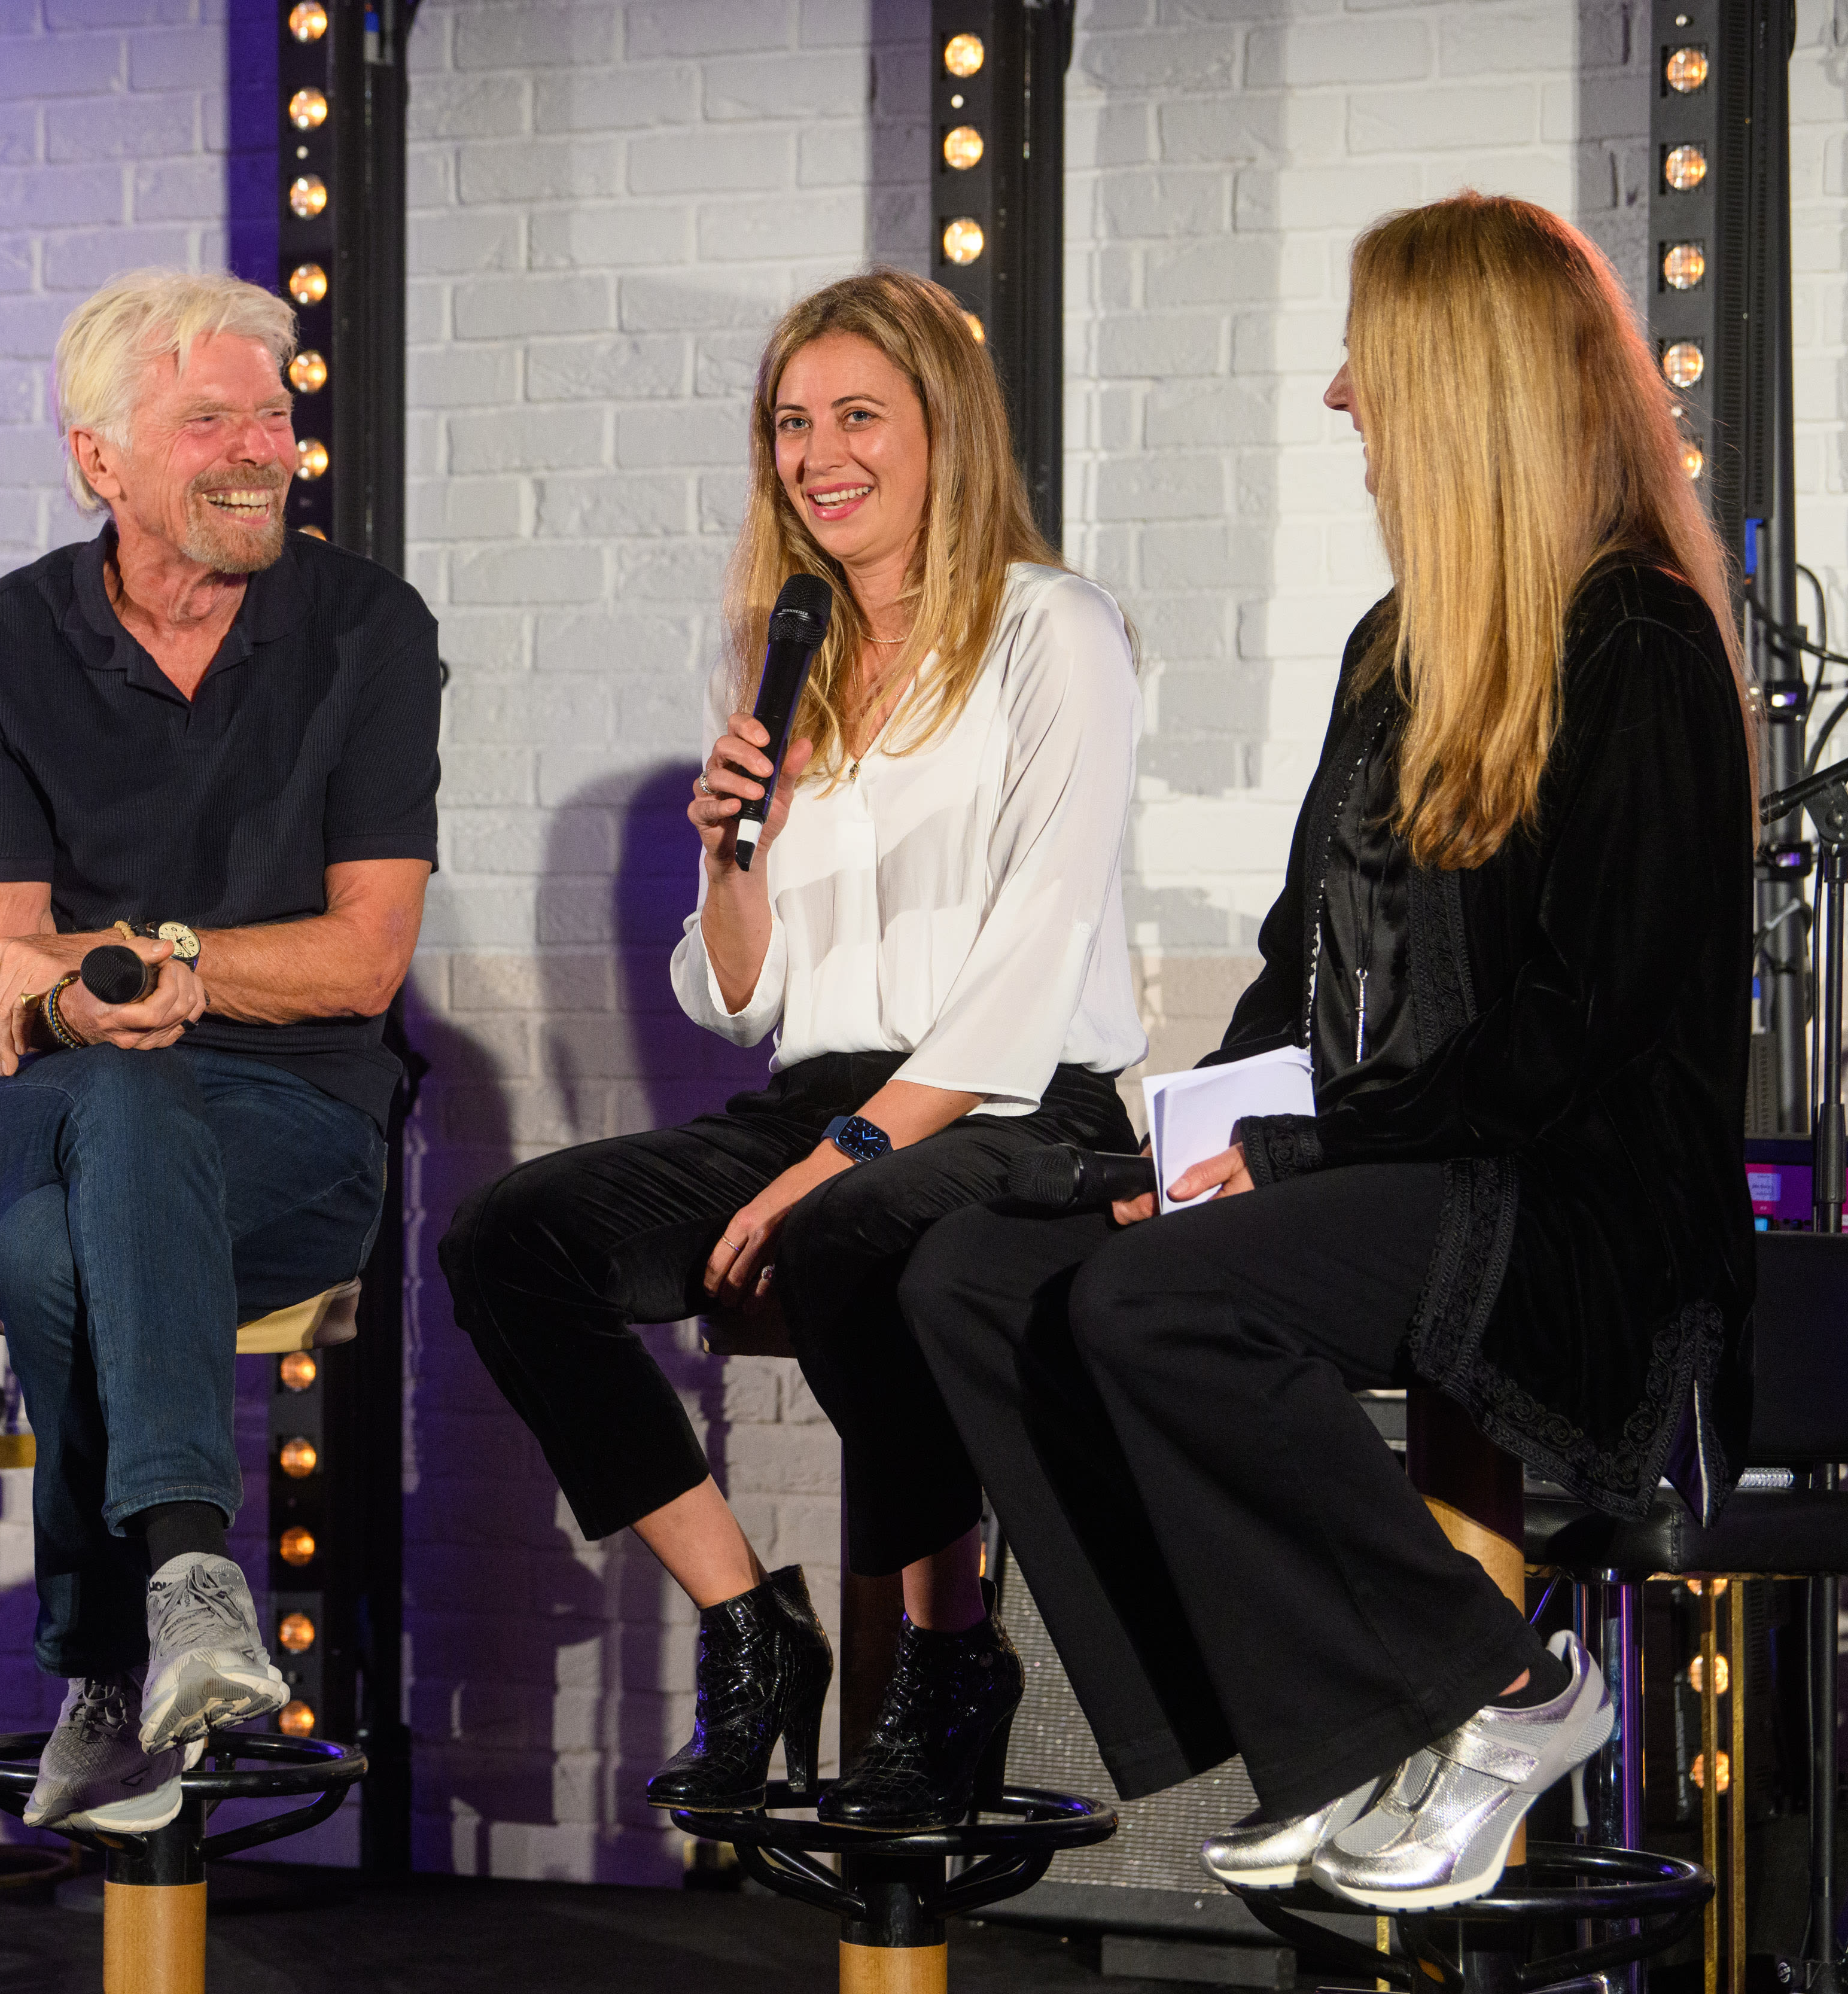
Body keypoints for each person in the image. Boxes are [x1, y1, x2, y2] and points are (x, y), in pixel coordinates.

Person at [900, 193, 1752, 1910]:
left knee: (1160, 1304)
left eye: (1369, 357)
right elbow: (1303, 964)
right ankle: (1321, 1727)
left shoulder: (1641, 647)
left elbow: (1578, 1041)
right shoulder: (1397, 647)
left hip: (1561, 1204)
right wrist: (1198, 1143)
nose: (1340, 397)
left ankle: (1506, 1688)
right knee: (976, 1278)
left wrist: (1292, 1163)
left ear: (1457, 381)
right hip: (1393, 1160)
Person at [439, 269, 1144, 1828]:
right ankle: (750, 1623)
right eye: (791, 424)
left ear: (945, 433)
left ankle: (953, 1658)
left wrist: (847, 1156)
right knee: (508, 1241)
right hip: (822, 1097)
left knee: (854, 1227)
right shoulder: (793, 652)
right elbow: (739, 998)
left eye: (858, 416)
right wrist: (732, 854)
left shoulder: (1056, 630)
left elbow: (1032, 960)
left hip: (1021, 1099)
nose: (819, 453)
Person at [0, 268, 439, 1832]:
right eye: (212, 418)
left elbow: (366, 959)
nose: (263, 448)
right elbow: (9, 974)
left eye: (275, 418)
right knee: (115, 1099)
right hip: (36, 1093)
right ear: (103, 461)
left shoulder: (367, 631)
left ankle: (103, 1654)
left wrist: (179, 968)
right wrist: (83, 992)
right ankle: (199, 1585)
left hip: (294, 1121)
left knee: (59, 1258)